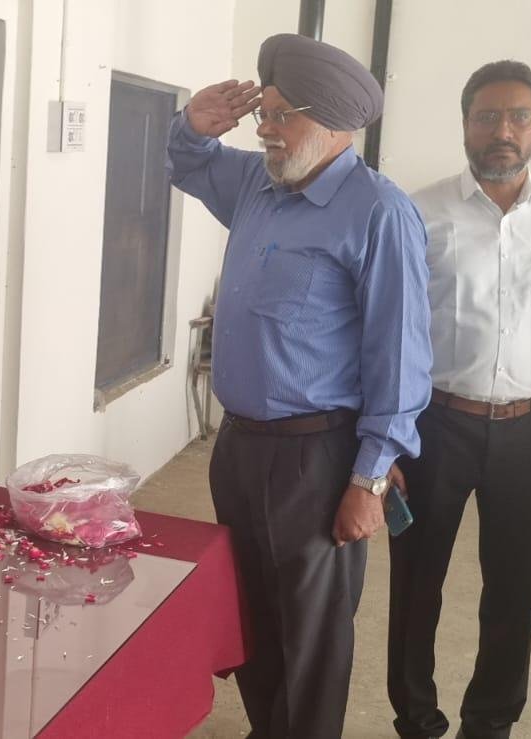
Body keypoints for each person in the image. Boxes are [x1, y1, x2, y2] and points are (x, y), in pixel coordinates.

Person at [167, 34, 431, 738]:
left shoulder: (379, 212)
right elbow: (188, 162)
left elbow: (401, 358)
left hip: (318, 457)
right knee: (250, 613)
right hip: (239, 447)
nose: (266, 128)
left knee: (312, 635)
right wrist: (194, 123)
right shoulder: (259, 182)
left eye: (282, 115)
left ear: (334, 123)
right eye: (266, 112)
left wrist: (369, 480)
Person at [388, 60, 531, 739]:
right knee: (416, 584)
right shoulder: (419, 211)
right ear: (465, 124)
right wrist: (385, 442)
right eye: (488, 116)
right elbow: (393, 330)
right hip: (435, 424)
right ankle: (417, 719)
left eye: (519, 116)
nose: (503, 130)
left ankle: (491, 722)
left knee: (515, 589)